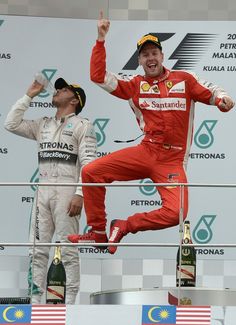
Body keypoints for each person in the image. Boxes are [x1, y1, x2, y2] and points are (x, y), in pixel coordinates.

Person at [68, 12, 234, 255]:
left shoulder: (184, 79)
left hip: (173, 160)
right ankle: (98, 232)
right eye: (145, 55)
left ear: (162, 56)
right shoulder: (134, 84)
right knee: (91, 171)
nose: (150, 58)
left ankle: (124, 226)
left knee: (176, 212)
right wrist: (100, 40)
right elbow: (98, 77)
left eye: (154, 53)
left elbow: (212, 92)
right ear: (140, 60)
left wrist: (223, 99)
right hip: (146, 151)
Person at [4, 77, 97, 303]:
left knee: (68, 250)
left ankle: (71, 303)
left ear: (75, 100)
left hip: (67, 193)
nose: (57, 91)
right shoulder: (42, 124)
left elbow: (89, 164)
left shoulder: (83, 125)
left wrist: (80, 194)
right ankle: (35, 302)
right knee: (36, 249)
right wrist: (30, 95)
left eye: (63, 89)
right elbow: (11, 124)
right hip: (43, 193)